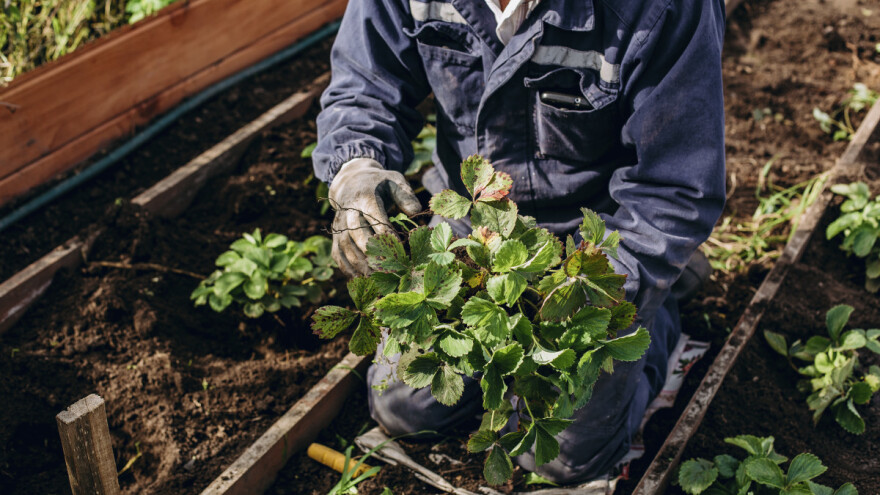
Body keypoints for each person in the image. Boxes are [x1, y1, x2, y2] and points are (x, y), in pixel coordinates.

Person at [311, 0, 726, 483]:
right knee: (404, 409)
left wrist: (613, 280)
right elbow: (365, 85)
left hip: (595, 248)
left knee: (558, 460)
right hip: (470, 227)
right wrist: (357, 167)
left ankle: (655, 316)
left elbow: (673, 187)